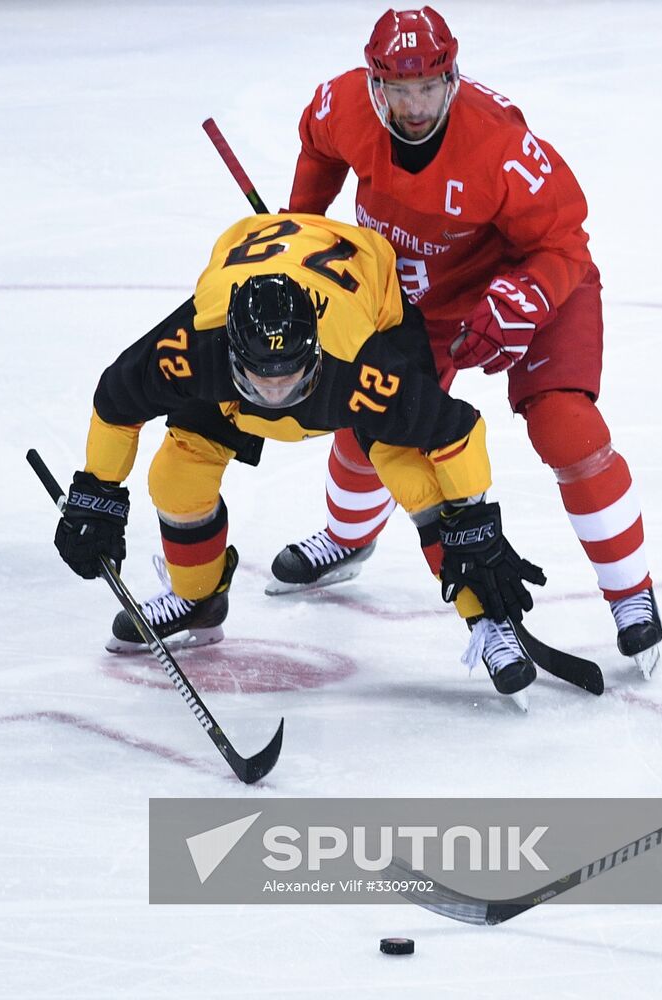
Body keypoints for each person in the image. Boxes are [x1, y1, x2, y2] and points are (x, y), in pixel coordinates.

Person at [270, 6, 662, 676]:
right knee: (371, 418)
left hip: (527, 281)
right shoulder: (342, 105)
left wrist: (527, 295)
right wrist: (299, 231)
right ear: (376, 85)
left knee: (565, 425)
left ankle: (632, 593)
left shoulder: (499, 145)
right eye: (400, 89)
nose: (416, 105)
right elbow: (318, 144)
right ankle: (348, 536)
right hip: (424, 301)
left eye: (429, 87)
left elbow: (564, 242)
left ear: (453, 78)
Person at [53, 212, 547, 698]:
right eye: (260, 380)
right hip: (263, 311)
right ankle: (196, 596)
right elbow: (116, 400)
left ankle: (488, 617)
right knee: (176, 475)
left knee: (416, 480)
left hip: (368, 306)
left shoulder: (364, 366)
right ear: (228, 348)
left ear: (311, 349)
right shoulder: (192, 345)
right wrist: (97, 493)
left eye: (288, 377)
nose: (274, 395)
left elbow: (457, 429)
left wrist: (473, 520)